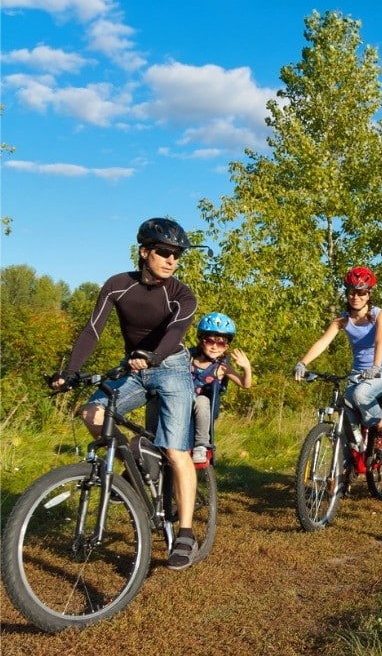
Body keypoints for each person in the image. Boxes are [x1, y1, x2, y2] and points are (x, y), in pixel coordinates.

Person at [50, 217, 201, 570]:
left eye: (177, 254)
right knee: (92, 414)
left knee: (177, 450)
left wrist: (153, 356)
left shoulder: (182, 294)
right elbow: (92, 330)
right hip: (132, 367)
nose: (172, 260)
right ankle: (134, 469)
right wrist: (70, 373)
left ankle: (185, 533)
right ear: (144, 251)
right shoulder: (117, 285)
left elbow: (176, 333)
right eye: (164, 252)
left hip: (172, 367)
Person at [293, 266, 382, 456]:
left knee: (360, 394)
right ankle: (354, 448)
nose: (355, 297)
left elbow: (379, 341)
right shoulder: (342, 320)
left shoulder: (378, 316)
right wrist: (303, 363)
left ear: (369, 294)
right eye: (351, 292)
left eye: (361, 292)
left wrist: (375, 367)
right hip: (358, 373)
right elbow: (323, 342)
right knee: (344, 402)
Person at [189, 312, 252, 466]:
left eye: (221, 343)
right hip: (180, 399)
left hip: (204, 405)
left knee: (202, 401)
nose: (215, 347)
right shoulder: (187, 358)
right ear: (201, 341)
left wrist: (246, 368)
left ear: (226, 347)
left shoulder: (222, 367)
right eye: (210, 341)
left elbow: (245, 384)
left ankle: (201, 445)